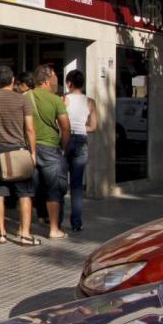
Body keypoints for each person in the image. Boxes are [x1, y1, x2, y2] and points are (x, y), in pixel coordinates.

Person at [0, 66, 40, 245]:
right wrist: (33, 152)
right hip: (19, 152)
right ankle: (25, 234)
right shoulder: (22, 100)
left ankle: (1, 233)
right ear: (13, 80)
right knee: (25, 194)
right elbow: (29, 129)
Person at [28, 65, 70, 239]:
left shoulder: (25, 97)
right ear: (46, 81)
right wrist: (63, 147)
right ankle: (54, 228)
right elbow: (65, 127)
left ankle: (26, 228)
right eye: (54, 78)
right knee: (54, 189)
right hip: (51, 148)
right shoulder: (55, 100)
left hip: (30, 149)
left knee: (30, 190)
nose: (56, 81)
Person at [61, 70, 98, 231]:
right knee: (76, 185)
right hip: (82, 140)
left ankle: (57, 221)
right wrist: (82, 128)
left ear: (69, 83)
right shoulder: (90, 102)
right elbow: (94, 126)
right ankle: (76, 223)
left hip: (66, 139)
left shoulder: (63, 99)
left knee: (61, 183)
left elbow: (59, 121)